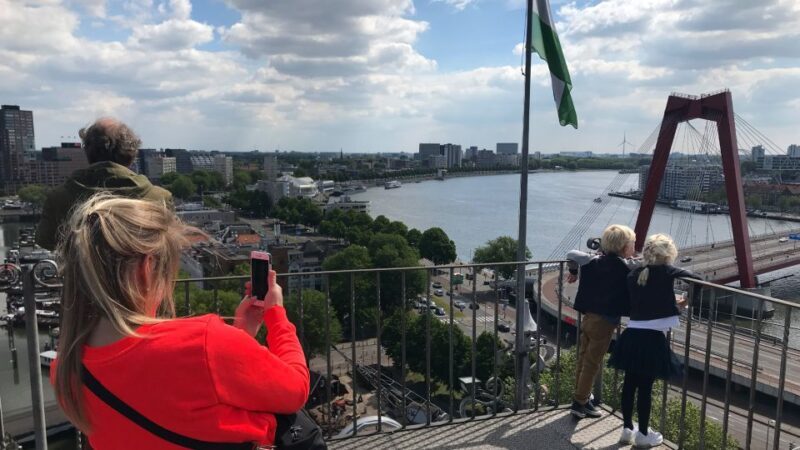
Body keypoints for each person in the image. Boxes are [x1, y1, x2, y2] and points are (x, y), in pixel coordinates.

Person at [52, 194, 309, 449]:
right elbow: (295, 390)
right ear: (147, 267)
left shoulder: (65, 369)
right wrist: (276, 315)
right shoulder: (202, 343)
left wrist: (240, 336)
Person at [607, 233, 697, 447]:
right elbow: (697, 278)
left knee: (629, 383)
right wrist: (684, 303)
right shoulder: (667, 271)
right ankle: (644, 434)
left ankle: (627, 428)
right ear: (668, 254)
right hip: (652, 338)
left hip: (632, 334)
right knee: (645, 387)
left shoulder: (635, 273)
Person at [36, 118, 172, 250]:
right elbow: (169, 244)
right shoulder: (159, 198)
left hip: (84, 273)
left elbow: (46, 242)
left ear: (88, 153)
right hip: (140, 273)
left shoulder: (59, 198)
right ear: (131, 154)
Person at [566, 224, 638, 419]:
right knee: (592, 362)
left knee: (583, 357)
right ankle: (579, 402)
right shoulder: (627, 265)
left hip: (588, 315)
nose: (634, 247)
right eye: (632, 243)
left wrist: (573, 271)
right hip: (606, 320)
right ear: (624, 247)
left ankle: (582, 398)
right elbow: (650, 264)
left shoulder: (592, 260)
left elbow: (571, 253)